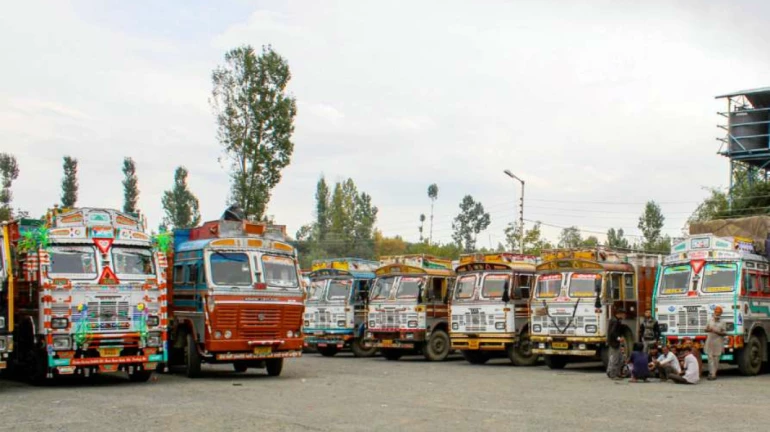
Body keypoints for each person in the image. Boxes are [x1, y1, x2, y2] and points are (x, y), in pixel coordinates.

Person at [704, 306, 727, 381]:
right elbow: (705, 329)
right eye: (716, 312)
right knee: (710, 358)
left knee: (716, 358)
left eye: (719, 313)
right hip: (710, 341)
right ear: (714, 313)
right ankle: (711, 374)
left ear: (720, 314)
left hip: (718, 342)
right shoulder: (709, 320)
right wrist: (709, 329)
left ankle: (714, 374)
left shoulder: (723, 322)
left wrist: (717, 332)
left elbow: (724, 333)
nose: (717, 314)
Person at [606, 307, 626, 380]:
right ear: (619, 314)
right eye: (623, 314)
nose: (624, 316)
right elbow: (613, 332)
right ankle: (613, 374)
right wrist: (619, 338)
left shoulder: (615, 320)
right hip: (614, 342)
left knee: (619, 358)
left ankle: (615, 373)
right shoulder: (615, 322)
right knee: (615, 359)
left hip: (613, 342)